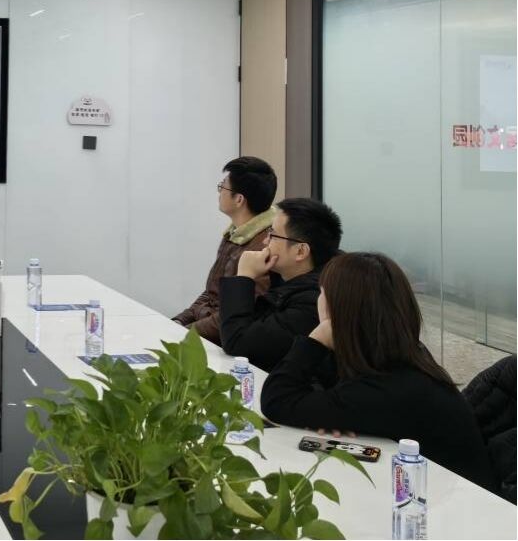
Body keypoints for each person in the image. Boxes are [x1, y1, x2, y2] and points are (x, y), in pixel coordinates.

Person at [261, 252, 497, 493]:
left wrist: (316, 340)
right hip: (444, 495)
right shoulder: (401, 356)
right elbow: (323, 384)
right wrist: (327, 412)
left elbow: (276, 400)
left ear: (337, 308)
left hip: (465, 508)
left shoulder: (389, 388)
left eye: (322, 293)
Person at [219, 197, 342, 372]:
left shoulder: (313, 302)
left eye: (273, 235)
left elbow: (238, 343)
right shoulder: (287, 278)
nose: (265, 241)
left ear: (300, 251)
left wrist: (244, 276)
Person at [173, 156, 277, 343]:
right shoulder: (235, 233)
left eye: (223, 186)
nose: (219, 191)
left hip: (225, 341)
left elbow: (237, 314)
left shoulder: (263, 248)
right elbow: (211, 293)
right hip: (207, 330)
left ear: (239, 199)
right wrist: (178, 321)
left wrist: (185, 335)